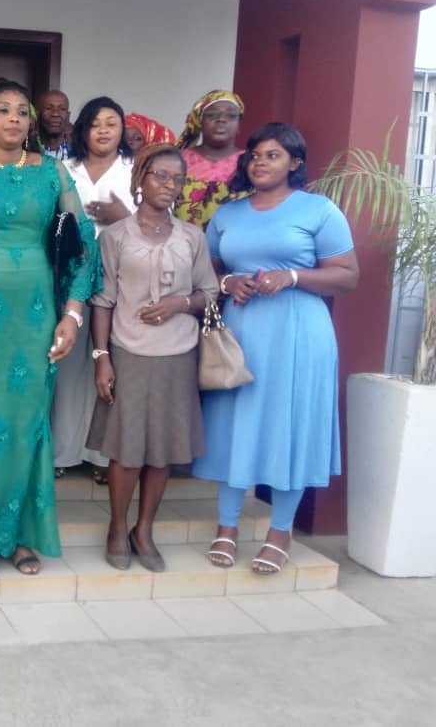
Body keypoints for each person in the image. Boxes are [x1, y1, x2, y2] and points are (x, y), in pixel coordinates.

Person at [0, 78, 103, 575]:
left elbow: (81, 243)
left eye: (22, 111)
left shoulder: (51, 173)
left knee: (28, 421)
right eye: (3, 109)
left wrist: (73, 314)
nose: (14, 118)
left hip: (34, 317)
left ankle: (21, 537)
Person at [193, 123, 358, 574]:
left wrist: (294, 276)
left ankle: (280, 532)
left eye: (273, 155)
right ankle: (227, 526)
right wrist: (229, 282)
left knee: (291, 426)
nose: (260, 162)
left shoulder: (318, 210)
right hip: (241, 333)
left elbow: (347, 275)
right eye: (255, 155)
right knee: (235, 424)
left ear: (295, 163)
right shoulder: (229, 213)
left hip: (299, 333)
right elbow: (206, 270)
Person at [87, 143, 219, 572]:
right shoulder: (115, 236)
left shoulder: (191, 237)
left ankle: (144, 529)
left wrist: (180, 303)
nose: (169, 185)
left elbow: (210, 292)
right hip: (129, 352)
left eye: (177, 179)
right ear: (141, 178)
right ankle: (117, 527)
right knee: (127, 450)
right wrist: (102, 357)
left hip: (178, 355)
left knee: (161, 451)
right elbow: (103, 301)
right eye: (160, 175)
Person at [53, 97, 136, 481]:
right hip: (72, 280)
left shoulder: (135, 170)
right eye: (96, 123)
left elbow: (159, 220)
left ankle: (102, 457)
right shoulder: (64, 169)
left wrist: (124, 217)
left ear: (122, 130)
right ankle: (63, 452)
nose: (103, 130)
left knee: (111, 365)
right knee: (69, 367)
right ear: (82, 130)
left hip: (124, 282)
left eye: (111, 123)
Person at [173, 89, 248, 229]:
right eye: (212, 114)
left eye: (231, 115)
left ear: (239, 123)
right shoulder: (178, 159)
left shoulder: (250, 161)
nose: (221, 120)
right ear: (200, 121)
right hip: (183, 240)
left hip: (232, 241)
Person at [37, 89, 71, 159]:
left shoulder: (78, 155)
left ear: (68, 116)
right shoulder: (27, 152)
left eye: (62, 109)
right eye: (48, 108)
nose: (55, 114)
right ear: (38, 115)